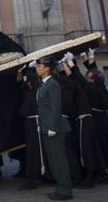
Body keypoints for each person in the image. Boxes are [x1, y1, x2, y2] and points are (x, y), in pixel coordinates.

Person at [61, 54, 105, 189]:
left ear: (92, 80)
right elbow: (75, 77)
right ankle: (91, 175)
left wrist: (68, 63)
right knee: (86, 150)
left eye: (87, 78)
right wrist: (69, 63)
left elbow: (76, 77)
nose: (85, 78)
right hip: (84, 121)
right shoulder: (90, 88)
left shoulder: (89, 88)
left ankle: (90, 178)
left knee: (87, 151)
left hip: (84, 121)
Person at [35, 56, 73, 200]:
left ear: (47, 68)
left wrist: (52, 127)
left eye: (40, 66)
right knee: (53, 161)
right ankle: (60, 187)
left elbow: (56, 108)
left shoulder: (53, 85)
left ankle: (66, 191)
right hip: (47, 127)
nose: (38, 68)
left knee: (59, 161)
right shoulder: (43, 85)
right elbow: (43, 108)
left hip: (55, 129)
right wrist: (42, 125)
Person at [15, 64, 47, 191]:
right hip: (29, 121)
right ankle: (34, 175)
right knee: (32, 150)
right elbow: (19, 81)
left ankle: (34, 178)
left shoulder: (35, 86)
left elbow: (28, 81)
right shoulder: (27, 87)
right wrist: (20, 71)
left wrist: (29, 71)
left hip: (35, 121)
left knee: (35, 150)